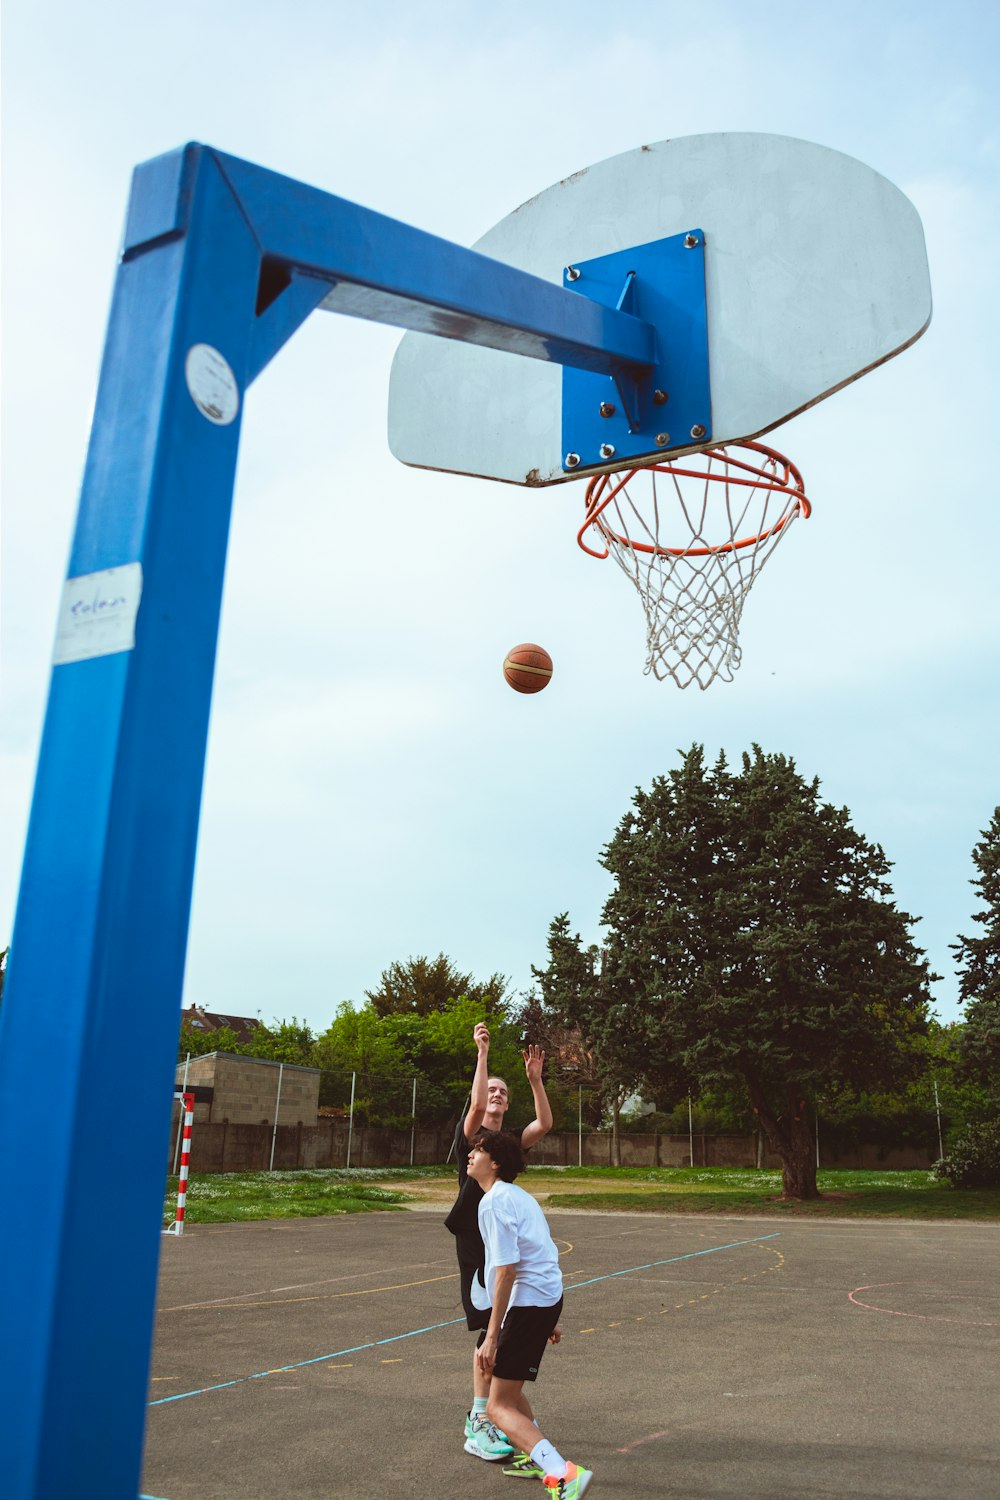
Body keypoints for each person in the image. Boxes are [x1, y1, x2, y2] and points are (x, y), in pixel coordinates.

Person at [445, 1022, 552, 1465]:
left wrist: (534, 1081)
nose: (496, 1095)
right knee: (488, 1331)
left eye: (503, 1092)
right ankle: (479, 1420)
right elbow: (474, 1104)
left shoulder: (507, 1147)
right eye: (492, 1090)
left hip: (503, 1245)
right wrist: (482, 1053)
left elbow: (543, 1123)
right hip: (478, 1246)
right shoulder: (472, 1139)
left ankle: (508, 1421)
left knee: (504, 1331)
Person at [467, 1129, 592, 1498]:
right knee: (510, 1386)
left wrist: (493, 1335)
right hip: (542, 1299)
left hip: (529, 1302)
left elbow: (507, 1270)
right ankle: (538, 1458)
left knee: (497, 1406)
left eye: (480, 1149)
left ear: (497, 1162)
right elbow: (540, 1252)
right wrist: (546, 1317)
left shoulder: (494, 1202)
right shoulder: (516, 1196)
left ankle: (564, 1474)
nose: (472, 1154)